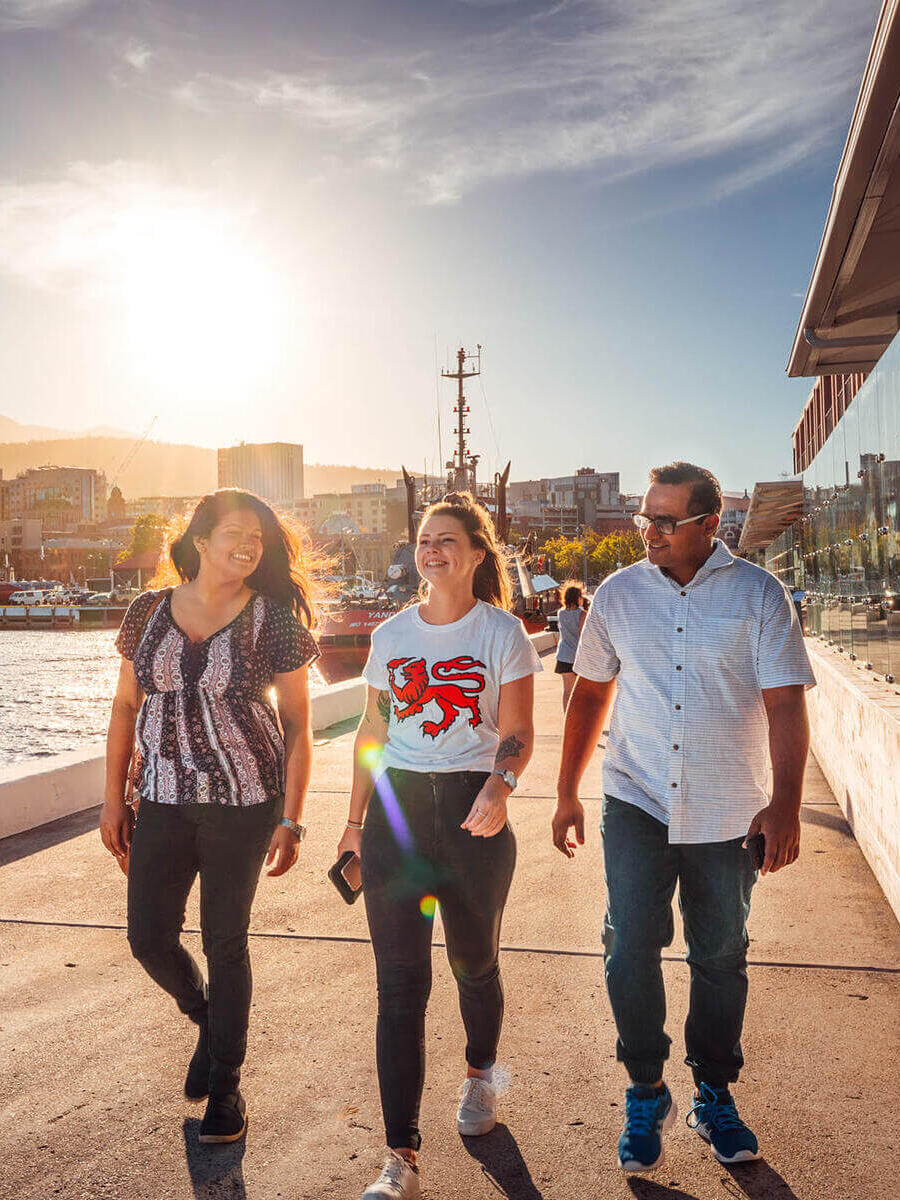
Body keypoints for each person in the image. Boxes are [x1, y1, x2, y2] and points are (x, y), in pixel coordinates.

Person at [553, 462, 815, 1173]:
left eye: (666, 522)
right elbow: (589, 694)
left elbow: (786, 704)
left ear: (711, 524)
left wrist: (785, 805)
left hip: (729, 807)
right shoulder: (618, 594)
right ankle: (645, 1089)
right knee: (628, 943)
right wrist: (567, 789)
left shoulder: (760, 596)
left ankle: (713, 1091)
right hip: (636, 795)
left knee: (720, 954)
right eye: (646, 518)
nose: (650, 533)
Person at [338, 491, 543, 1200]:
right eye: (425, 539)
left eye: (448, 539)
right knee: (399, 987)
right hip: (396, 815)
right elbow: (371, 731)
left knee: (474, 967)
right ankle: (400, 1158)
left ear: (477, 553)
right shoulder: (391, 634)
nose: (433, 549)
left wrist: (501, 784)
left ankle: (481, 1074)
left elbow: (517, 731)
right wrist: (356, 819)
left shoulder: (501, 632)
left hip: (471, 817)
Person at [99, 489, 318, 1145]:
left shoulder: (272, 618)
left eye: (259, 537)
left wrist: (292, 818)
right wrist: (113, 799)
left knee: (226, 942)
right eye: (235, 532)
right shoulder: (148, 612)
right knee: (148, 937)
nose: (250, 545)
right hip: (161, 798)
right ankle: (208, 1021)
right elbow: (123, 709)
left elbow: (301, 728)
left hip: (245, 804)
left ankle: (226, 1089)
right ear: (200, 539)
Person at [555, 582, 587, 710]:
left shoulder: (561, 613)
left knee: (567, 691)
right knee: (579, 692)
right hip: (577, 656)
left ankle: (566, 719)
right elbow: (582, 636)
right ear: (578, 597)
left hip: (563, 655)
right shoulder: (582, 614)